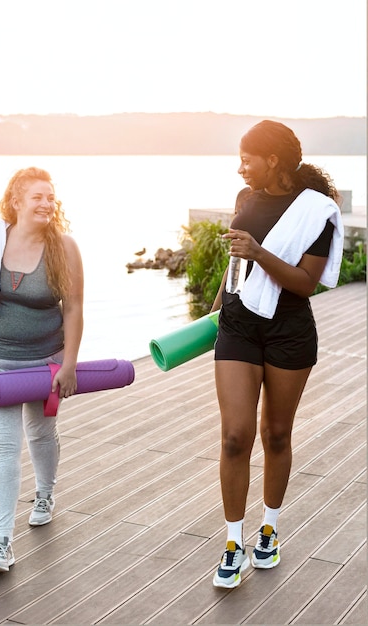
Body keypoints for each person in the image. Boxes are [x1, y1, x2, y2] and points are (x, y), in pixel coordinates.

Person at [210, 120, 344, 589]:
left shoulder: (317, 211)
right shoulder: (245, 200)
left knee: (277, 434)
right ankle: (232, 542)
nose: (240, 167)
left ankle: (268, 531)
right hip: (239, 323)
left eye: (247, 158)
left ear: (272, 159)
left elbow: (307, 283)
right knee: (234, 435)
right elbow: (236, 264)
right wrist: (217, 306)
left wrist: (260, 252)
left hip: (289, 330)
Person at [0, 167, 84, 573]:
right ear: (16, 201)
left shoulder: (65, 247)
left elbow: (74, 308)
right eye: (37, 196)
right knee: (3, 449)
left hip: (44, 363)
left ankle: (44, 494)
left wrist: (70, 364)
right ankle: (1, 542)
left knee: (41, 433)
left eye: (50, 197)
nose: (46, 204)